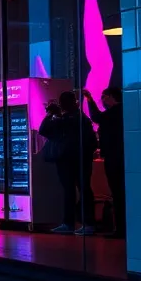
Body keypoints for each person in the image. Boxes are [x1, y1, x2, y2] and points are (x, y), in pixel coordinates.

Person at [39, 91, 98, 236]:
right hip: (80, 159)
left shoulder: (65, 120)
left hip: (67, 159)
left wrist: (51, 114)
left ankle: (71, 223)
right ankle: (86, 223)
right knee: (83, 189)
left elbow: (43, 130)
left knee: (72, 190)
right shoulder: (81, 118)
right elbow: (92, 142)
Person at [84, 88, 125, 237]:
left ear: (111, 97)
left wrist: (89, 99)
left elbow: (96, 117)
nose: (103, 100)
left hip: (115, 158)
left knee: (118, 193)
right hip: (119, 156)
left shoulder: (115, 112)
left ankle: (120, 229)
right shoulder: (125, 110)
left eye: (103, 97)